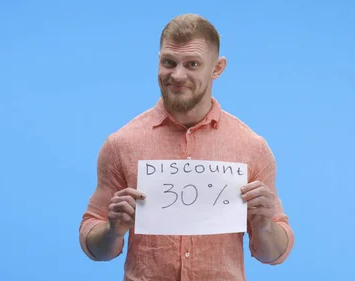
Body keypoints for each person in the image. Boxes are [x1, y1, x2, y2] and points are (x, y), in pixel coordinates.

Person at [79, 13, 294, 281]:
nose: (177, 75)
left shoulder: (251, 148)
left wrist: (263, 226)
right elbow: (96, 248)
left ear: (217, 68)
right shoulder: (122, 144)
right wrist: (113, 230)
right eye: (169, 62)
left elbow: (272, 254)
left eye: (192, 64)